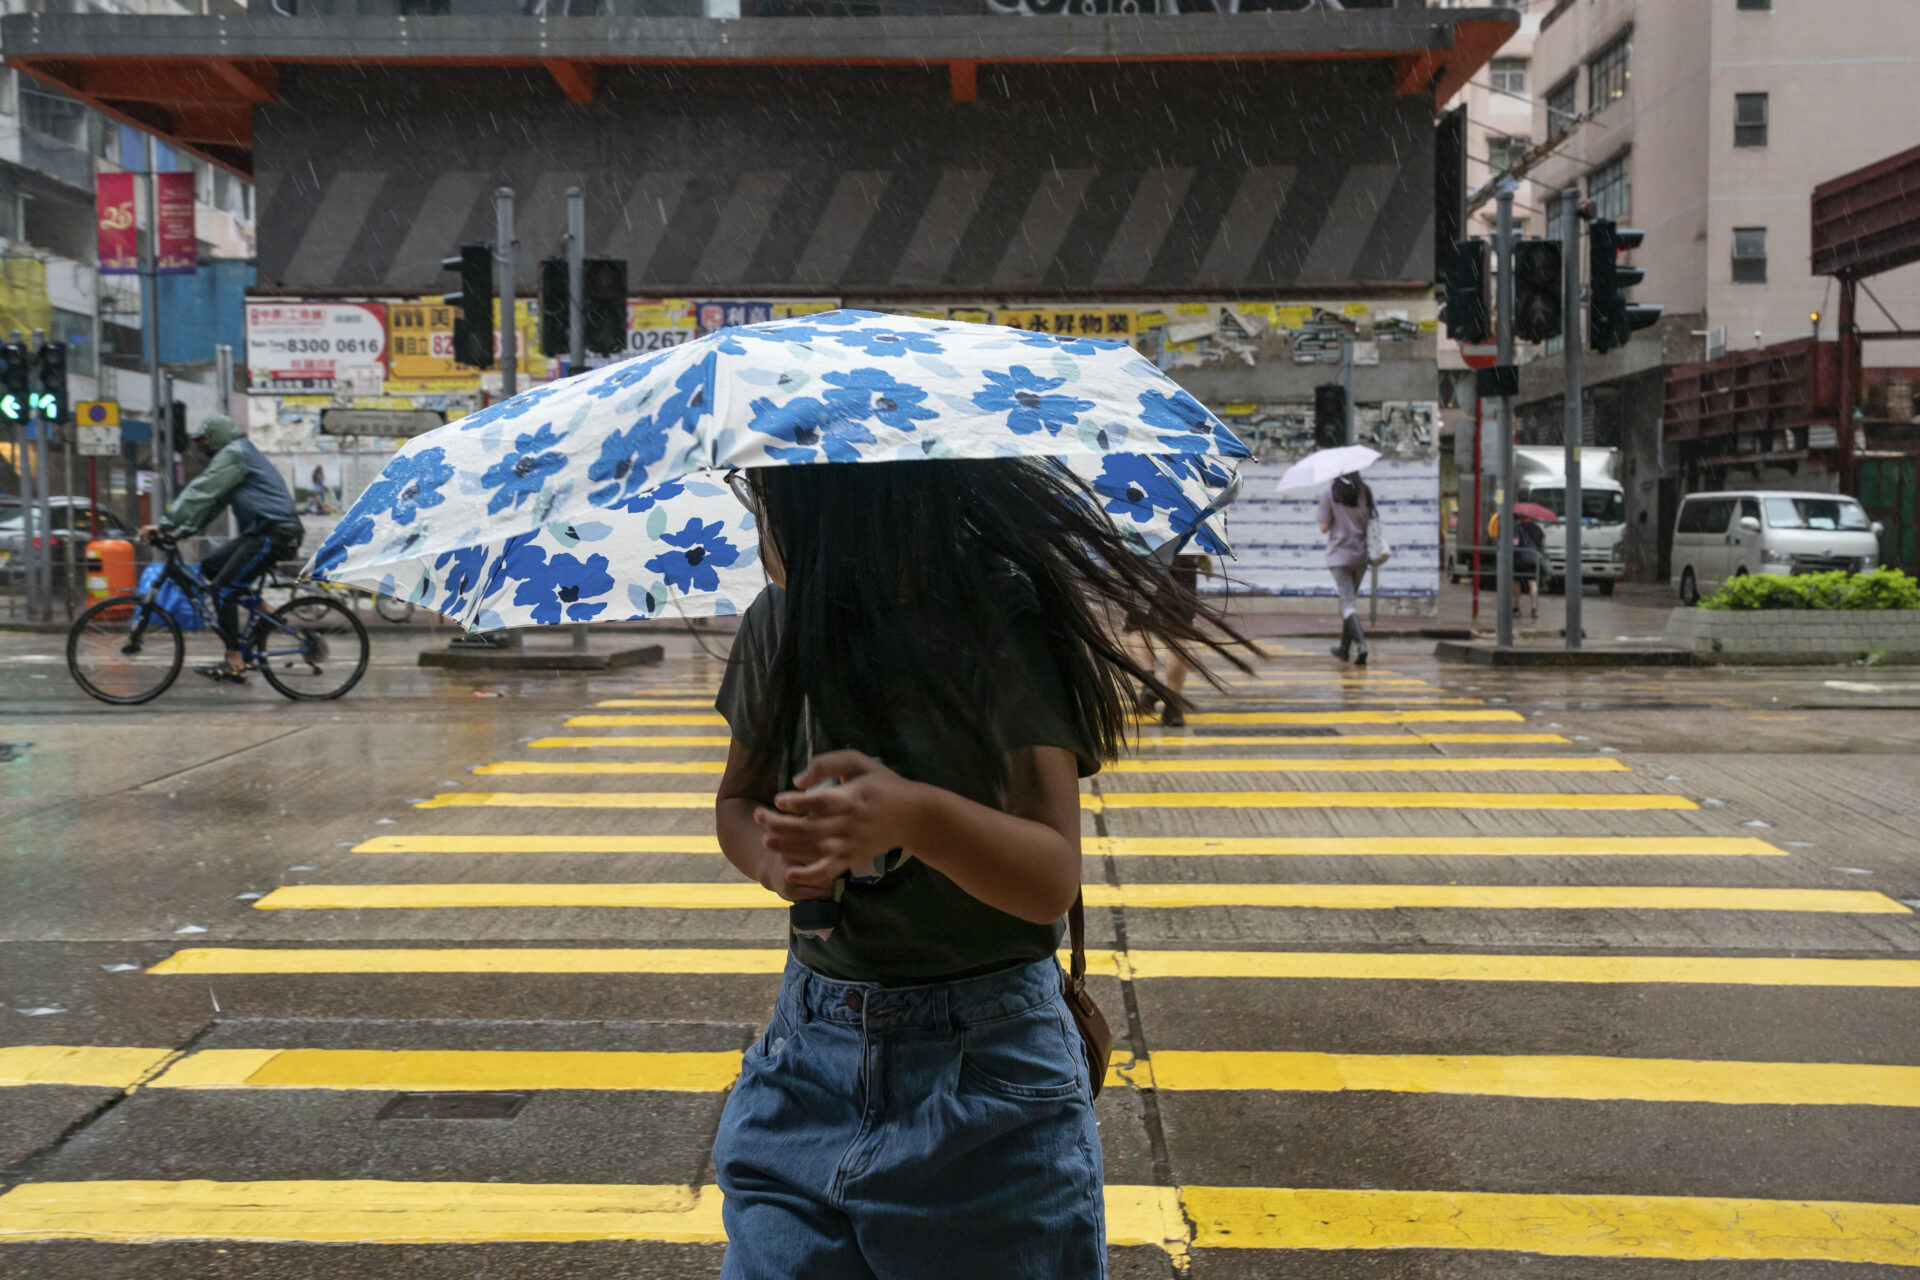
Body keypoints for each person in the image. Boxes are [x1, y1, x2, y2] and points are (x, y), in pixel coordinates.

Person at [710, 459, 1249, 1280]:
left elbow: (1049, 876)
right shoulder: (778, 622)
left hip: (987, 1082)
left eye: (769, 501)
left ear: (846, 506)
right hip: (805, 1063)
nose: (759, 526)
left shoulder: (997, 618)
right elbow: (736, 803)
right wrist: (779, 866)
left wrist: (916, 817)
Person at [140, 414, 303, 684]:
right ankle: (266, 615)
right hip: (262, 532)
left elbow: (200, 491)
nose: (204, 446)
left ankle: (235, 662)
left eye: (206, 439)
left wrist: (164, 524)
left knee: (223, 590)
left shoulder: (234, 453)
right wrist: (180, 532)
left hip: (274, 533)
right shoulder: (236, 457)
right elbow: (212, 504)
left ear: (219, 436)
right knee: (210, 567)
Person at [1125, 551, 1213, 728]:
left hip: (1142, 555)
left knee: (1137, 626)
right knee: (1177, 635)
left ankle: (1150, 685)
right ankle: (1173, 708)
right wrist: (1202, 551)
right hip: (1182, 559)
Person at [1317, 471, 1374, 665]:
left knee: (1348, 604)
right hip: (1361, 556)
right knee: (1349, 602)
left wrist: (1336, 518)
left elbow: (1323, 527)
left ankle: (1361, 645)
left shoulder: (1330, 494)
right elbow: (1371, 522)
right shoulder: (1365, 492)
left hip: (1339, 557)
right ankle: (1343, 649)